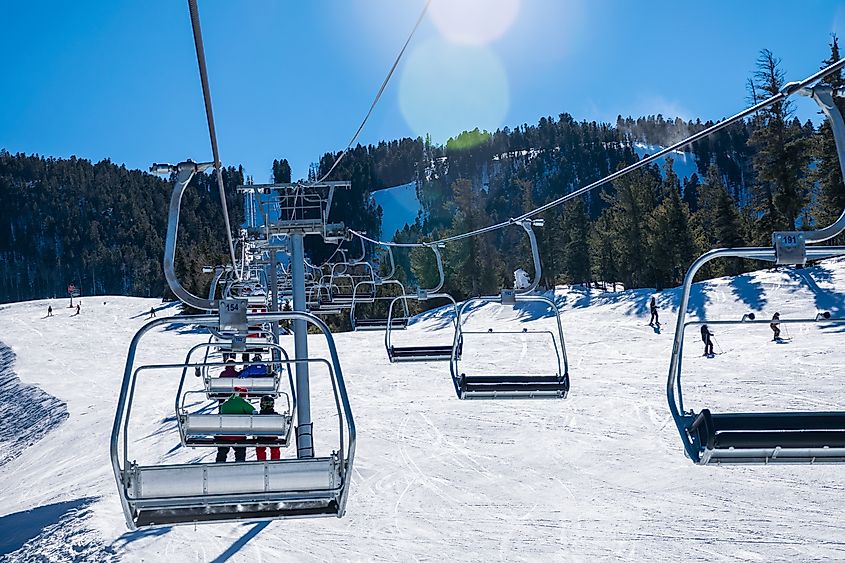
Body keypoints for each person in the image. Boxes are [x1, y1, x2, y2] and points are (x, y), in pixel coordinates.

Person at [215, 387, 257, 463]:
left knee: (222, 450)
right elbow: (254, 412)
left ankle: (219, 463)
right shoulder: (243, 402)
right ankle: (240, 462)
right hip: (239, 436)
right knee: (240, 450)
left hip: (223, 436)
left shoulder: (225, 403)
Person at [255, 395, 282, 462]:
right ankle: (275, 461)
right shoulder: (276, 416)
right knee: (275, 447)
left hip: (261, 437)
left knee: (260, 448)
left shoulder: (257, 417)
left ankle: (261, 461)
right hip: (272, 436)